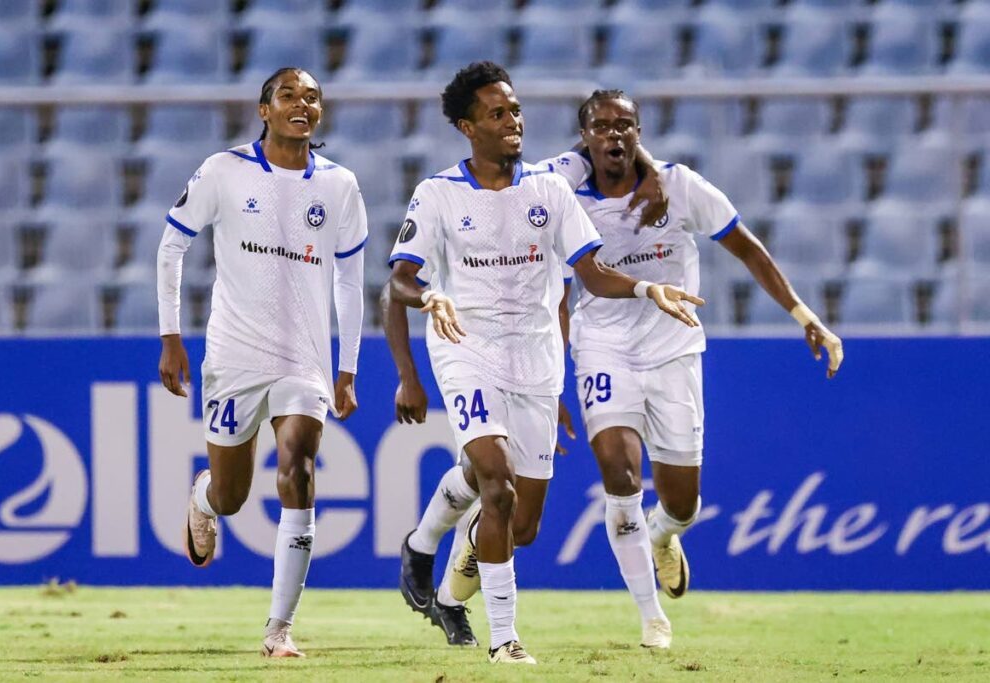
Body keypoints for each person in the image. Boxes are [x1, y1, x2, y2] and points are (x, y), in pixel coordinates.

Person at [385, 62, 702, 665]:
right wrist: (429, 296)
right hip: (465, 348)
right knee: (497, 485)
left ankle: (433, 557)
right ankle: (505, 640)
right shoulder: (438, 194)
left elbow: (590, 273)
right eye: (498, 113)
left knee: (520, 523)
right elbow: (397, 283)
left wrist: (643, 289)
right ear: (466, 126)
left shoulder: (549, 191)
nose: (514, 122)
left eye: (517, 110)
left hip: (535, 358)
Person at [560, 89, 845, 648]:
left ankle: (665, 536)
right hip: (601, 347)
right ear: (585, 135)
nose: (614, 135)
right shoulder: (564, 192)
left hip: (674, 351)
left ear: (640, 132)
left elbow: (747, 247)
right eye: (602, 126)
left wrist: (804, 314)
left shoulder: (680, 185)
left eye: (625, 125)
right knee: (618, 474)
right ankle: (651, 619)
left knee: (683, 502)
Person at [157, 67, 368, 658]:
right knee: (232, 495)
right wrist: (170, 336)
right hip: (234, 354)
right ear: (264, 109)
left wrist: (346, 366)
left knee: (299, 469)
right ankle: (204, 498)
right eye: (288, 96)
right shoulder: (224, 170)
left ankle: (279, 630)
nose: (302, 104)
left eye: (312, 97)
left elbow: (351, 281)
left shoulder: (340, 186)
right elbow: (172, 243)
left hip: (304, 357)